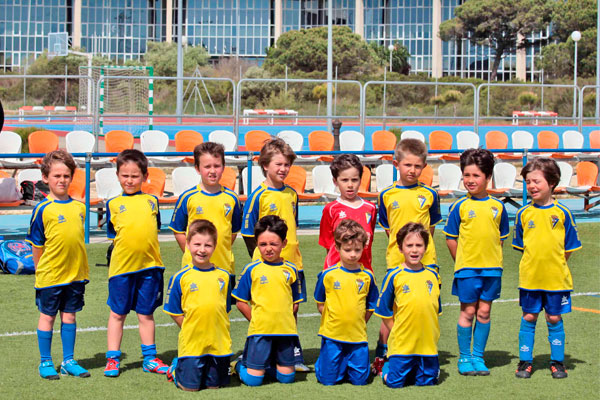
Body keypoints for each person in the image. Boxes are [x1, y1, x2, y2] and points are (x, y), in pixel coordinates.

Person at [373, 138, 442, 373]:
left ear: (424, 167)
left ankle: (421, 353)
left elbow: (429, 230)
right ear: (396, 164)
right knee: (391, 309)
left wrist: (421, 250)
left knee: (423, 307)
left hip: (427, 262)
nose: (412, 171)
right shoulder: (386, 195)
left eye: (417, 166)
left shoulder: (430, 194)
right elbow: (389, 229)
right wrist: (401, 251)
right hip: (396, 262)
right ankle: (383, 353)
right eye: (407, 165)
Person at [241, 137, 308, 371]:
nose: (283, 169)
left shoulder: (292, 194)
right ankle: (260, 352)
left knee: (293, 308)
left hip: (292, 263)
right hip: (266, 267)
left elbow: (293, 225)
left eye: (287, 164)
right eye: (278, 164)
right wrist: (262, 257)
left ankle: (292, 355)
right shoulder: (258, 196)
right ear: (265, 165)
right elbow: (248, 232)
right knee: (266, 309)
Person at [512, 158, 582, 379]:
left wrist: (555, 264)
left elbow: (568, 247)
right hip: (530, 279)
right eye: (528, 182)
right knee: (529, 317)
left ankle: (557, 362)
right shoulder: (523, 214)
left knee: (553, 318)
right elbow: (524, 247)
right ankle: (525, 362)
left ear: (551, 182)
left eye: (536, 181)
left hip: (556, 279)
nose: (531, 186)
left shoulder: (563, 213)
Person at [443, 148, 509, 376]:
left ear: (488, 177)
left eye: (476, 175)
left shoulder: (498, 207)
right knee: (468, 312)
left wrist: (491, 259)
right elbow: (450, 238)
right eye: (466, 175)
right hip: (467, 271)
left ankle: (479, 357)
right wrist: (461, 261)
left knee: (484, 312)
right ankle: (464, 357)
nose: (470, 180)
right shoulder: (459, 206)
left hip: (492, 271)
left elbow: (500, 239)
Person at [103, 149, 168, 377]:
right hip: (122, 270)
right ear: (118, 176)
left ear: (144, 176)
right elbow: (114, 235)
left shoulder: (152, 201)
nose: (129, 180)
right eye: (124, 175)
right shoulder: (113, 204)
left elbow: (154, 228)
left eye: (134, 175)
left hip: (150, 268)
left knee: (146, 314)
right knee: (117, 314)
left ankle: (149, 358)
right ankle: (112, 359)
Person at [26, 150, 90, 379]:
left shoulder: (80, 208)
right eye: (56, 176)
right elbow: (37, 245)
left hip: (75, 275)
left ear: (72, 177)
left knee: (70, 316)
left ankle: (68, 360)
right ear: (45, 178)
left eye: (66, 175)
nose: (62, 180)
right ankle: (45, 362)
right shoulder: (42, 209)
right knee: (48, 317)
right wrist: (40, 272)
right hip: (50, 276)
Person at [233, 215, 304, 386]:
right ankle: (238, 364)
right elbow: (240, 302)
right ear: (257, 244)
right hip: (260, 332)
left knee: (287, 379)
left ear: (284, 243)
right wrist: (257, 320)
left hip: (286, 333)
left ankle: (270, 366)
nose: (268, 249)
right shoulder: (252, 270)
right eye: (263, 244)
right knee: (253, 381)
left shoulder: (292, 270)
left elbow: (295, 303)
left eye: (274, 244)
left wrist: (288, 324)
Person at [164, 220, 233, 391]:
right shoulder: (181, 278)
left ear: (215, 246)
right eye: (197, 244)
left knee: (214, 386)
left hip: (218, 343)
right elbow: (174, 311)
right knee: (190, 388)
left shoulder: (224, 276)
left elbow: (225, 309)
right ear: (187, 244)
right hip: (193, 342)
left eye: (208, 245)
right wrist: (191, 327)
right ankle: (176, 369)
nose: (202, 250)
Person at [375, 222, 442, 388]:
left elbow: (435, 310)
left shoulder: (433, 275)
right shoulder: (394, 276)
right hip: (402, 344)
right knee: (394, 383)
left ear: (426, 247)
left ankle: (425, 369)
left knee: (427, 383)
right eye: (409, 245)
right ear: (400, 248)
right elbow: (384, 311)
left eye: (419, 245)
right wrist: (397, 329)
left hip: (427, 344)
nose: (414, 250)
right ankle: (387, 367)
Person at [169, 142, 242, 292]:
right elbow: (178, 230)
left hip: (224, 267)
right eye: (207, 167)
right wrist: (192, 252)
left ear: (223, 166)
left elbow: (233, 232)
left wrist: (220, 248)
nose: (212, 171)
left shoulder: (232, 198)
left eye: (217, 166)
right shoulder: (188, 198)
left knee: (221, 312)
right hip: (193, 269)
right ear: (197, 168)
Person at [314, 219, 379, 385]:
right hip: (332, 336)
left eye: (357, 249)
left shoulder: (367, 277)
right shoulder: (328, 275)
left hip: (357, 337)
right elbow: (320, 302)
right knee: (328, 381)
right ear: (337, 248)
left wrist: (358, 322)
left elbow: (371, 306)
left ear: (364, 247)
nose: (352, 254)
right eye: (348, 249)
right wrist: (334, 320)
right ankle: (324, 363)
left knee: (361, 381)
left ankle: (350, 364)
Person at [319, 154, 377, 271]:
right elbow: (328, 245)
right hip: (337, 272)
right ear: (335, 181)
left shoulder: (370, 208)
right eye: (344, 180)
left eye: (354, 180)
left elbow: (369, 241)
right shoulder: (330, 209)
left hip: (363, 271)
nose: (350, 185)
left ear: (360, 180)